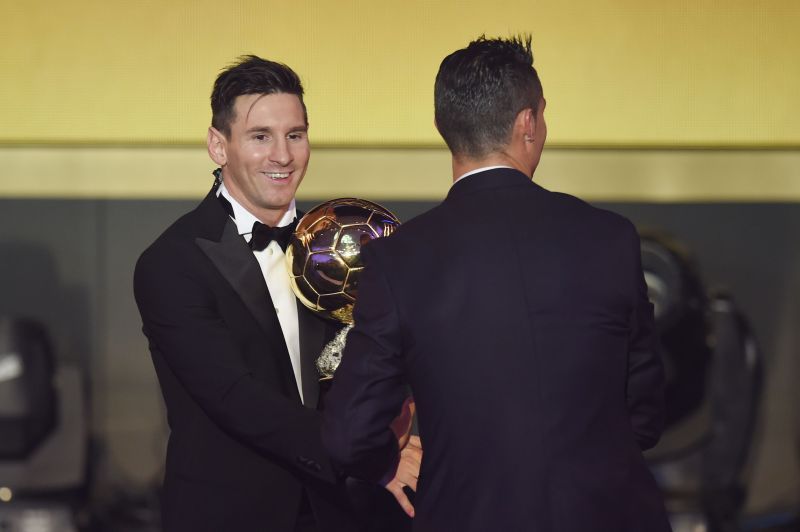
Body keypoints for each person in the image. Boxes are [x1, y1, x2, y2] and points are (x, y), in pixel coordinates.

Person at [321, 36, 672, 531]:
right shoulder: (609, 237)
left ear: (446, 127)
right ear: (527, 123)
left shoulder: (399, 259)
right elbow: (644, 410)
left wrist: (386, 458)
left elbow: (350, 434)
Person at [134, 55, 414, 532]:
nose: (282, 156)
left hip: (343, 513)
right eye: (260, 137)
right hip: (231, 516)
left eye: (295, 135)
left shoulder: (343, 247)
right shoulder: (172, 262)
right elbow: (236, 397)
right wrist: (373, 457)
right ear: (218, 146)